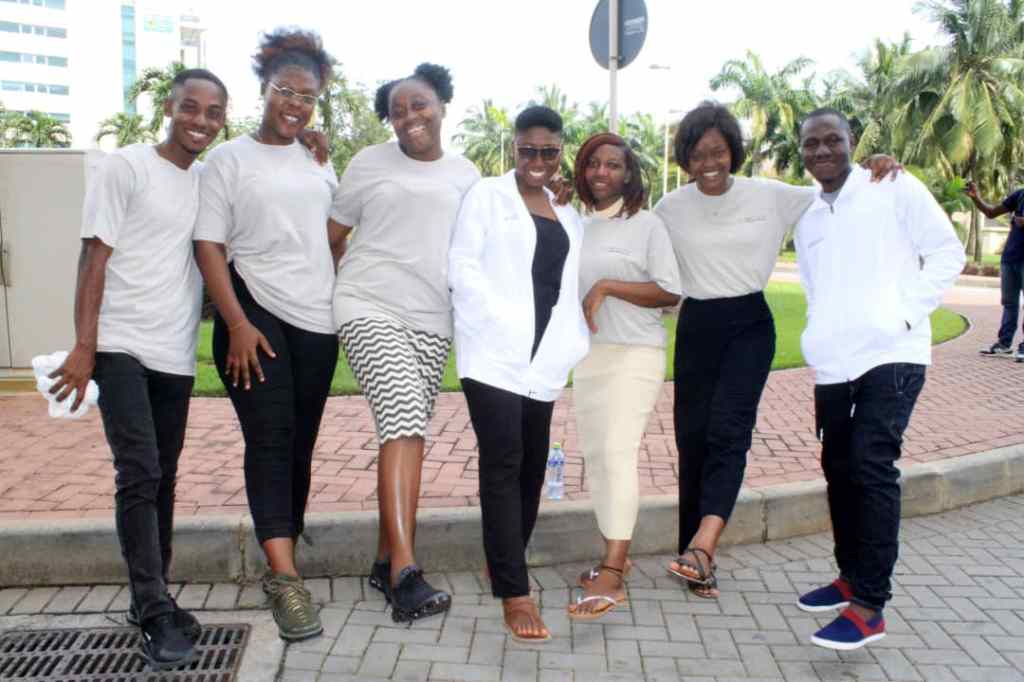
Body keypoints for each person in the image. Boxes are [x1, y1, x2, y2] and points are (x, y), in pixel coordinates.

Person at [654, 101, 900, 599]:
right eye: (698, 154)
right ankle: (692, 555)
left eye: (718, 152)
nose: (709, 163)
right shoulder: (670, 207)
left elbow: (834, 186)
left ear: (733, 151)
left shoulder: (770, 195)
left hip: (749, 326)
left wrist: (874, 165)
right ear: (685, 158)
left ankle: (704, 547)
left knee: (728, 432)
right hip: (697, 326)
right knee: (693, 439)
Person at [47, 69, 228, 668]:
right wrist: (85, 345)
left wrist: (308, 145)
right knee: (140, 471)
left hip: (174, 350)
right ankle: (151, 610)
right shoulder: (124, 167)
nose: (200, 120)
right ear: (170, 108)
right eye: (190, 107)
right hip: (120, 343)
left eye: (213, 112)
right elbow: (92, 257)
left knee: (164, 476)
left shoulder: (205, 180)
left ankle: (155, 595)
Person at [794, 107, 964, 650]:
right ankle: (849, 577)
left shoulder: (892, 185)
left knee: (871, 465)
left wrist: (904, 317)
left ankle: (870, 606)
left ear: (851, 141)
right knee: (838, 469)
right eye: (811, 143)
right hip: (834, 364)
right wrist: (818, 337)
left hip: (892, 353)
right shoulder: (809, 217)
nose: (822, 150)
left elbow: (947, 252)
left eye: (832, 139)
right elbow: (815, 288)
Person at [193, 28, 338, 642]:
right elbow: (208, 245)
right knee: (271, 439)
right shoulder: (227, 161)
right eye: (286, 90)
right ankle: (284, 579)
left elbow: (330, 235)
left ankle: (285, 548)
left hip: (319, 319)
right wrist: (236, 323)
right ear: (264, 88)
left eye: (308, 96)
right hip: (254, 314)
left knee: (300, 444)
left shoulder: (317, 158)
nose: (296, 104)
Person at [328, 63, 480, 623]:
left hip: (432, 318)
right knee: (402, 417)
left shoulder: (466, 174)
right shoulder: (369, 163)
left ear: (441, 106)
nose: (409, 117)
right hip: (369, 304)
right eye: (397, 111)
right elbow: (332, 235)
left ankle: (383, 559)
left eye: (418, 105)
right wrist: (349, 285)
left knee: (408, 433)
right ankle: (405, 574)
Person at [449, 105, 590, 642]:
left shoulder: (566, 211)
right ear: (514, 148)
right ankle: (515, 590)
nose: (537, 159)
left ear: (560, 151)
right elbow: (463, 265)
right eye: (528, 149)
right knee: (504, 461)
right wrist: (496, 321)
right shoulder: (487, 195)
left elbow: (567, 280)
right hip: (492, 354)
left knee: (532, 466)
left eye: (548, 151)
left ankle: (504, 556)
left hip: (543, 358)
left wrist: (571, 339)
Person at [566, 133, 681, 620]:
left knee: (617, 451)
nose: (602, 172)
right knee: (598, 457)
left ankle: (613, 572)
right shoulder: (575, 224)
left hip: (635, 353)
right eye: (593, 163)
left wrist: (608, 286)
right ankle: (615, 555)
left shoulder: (647, 224)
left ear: (629, 173)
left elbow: (671, 292)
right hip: (588, 356)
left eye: (613, 164)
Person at [964, 181, 1024, 359]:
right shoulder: (1020, 195)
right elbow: (991, 213)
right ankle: (1004, 344)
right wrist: (976, 198)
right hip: (1010, 257)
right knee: (1009, 302)